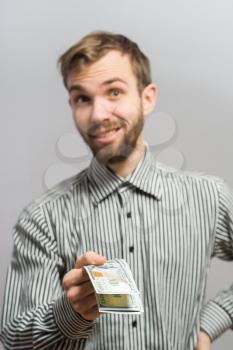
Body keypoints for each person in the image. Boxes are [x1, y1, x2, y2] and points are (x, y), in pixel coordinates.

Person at [0, 31, 232, 350]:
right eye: (83, 98)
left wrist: (211, 322)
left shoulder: (209, 197)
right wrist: (70, 312)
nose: (97, 115)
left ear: (146, 98)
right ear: (72, 105)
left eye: (113, 92)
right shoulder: (42, 218)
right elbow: (12, 339)